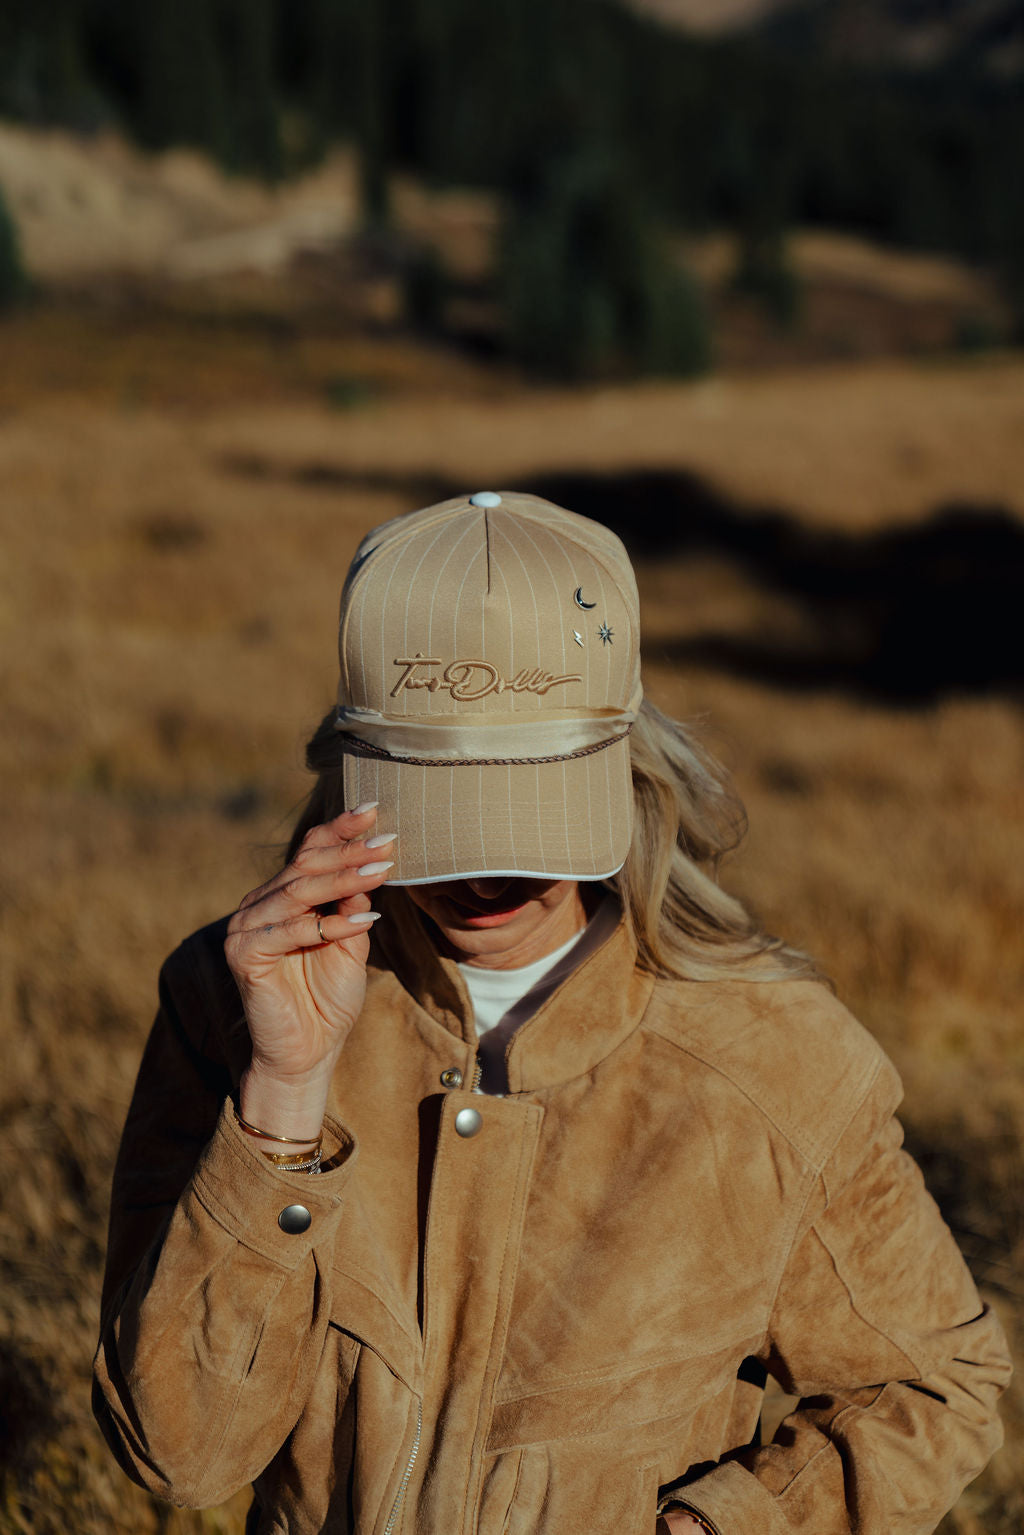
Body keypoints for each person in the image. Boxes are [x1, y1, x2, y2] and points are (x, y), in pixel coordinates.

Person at [94, 491, 1010, 1535]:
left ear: (623, 767)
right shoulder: (222, 1000)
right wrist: (282, 1101)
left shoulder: (778, 1058)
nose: (490, 870)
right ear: (353, 773)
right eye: (444, 815)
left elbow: (937, 1383)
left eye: (530, 809)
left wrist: (728, 1525)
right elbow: (179, 1453)